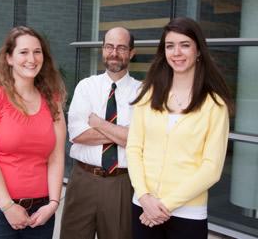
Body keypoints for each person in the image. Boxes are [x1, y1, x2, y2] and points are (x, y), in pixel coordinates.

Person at [126, 17, 233, 239]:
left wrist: (164, 205)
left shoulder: (215, 105)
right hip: (143, 207)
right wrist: (145, 197)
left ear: (198, 51)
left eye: (185, 45)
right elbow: (134, 149)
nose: (177, 52)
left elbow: (211, 168)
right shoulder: (148, 94)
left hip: (187, 214)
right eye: (170, 46)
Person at [0, 26, 67, 239]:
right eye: (23, 52)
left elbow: (57, 156)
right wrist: (7, 206)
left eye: (37, 51)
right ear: (9, 58)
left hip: (40, 214)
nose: (32, 58)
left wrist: (53, 203)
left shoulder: (53, 101)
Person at [60, 27, 141, 239]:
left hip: (121, 183)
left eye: (121, 47)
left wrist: (97, 123)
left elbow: (140, 140)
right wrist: (122, 134)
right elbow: (77, 134)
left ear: (131, 52)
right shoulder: (86, 86)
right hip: (83, 179)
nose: (114, 53)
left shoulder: (143, 92)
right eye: (109, 47)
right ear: (103, 50)